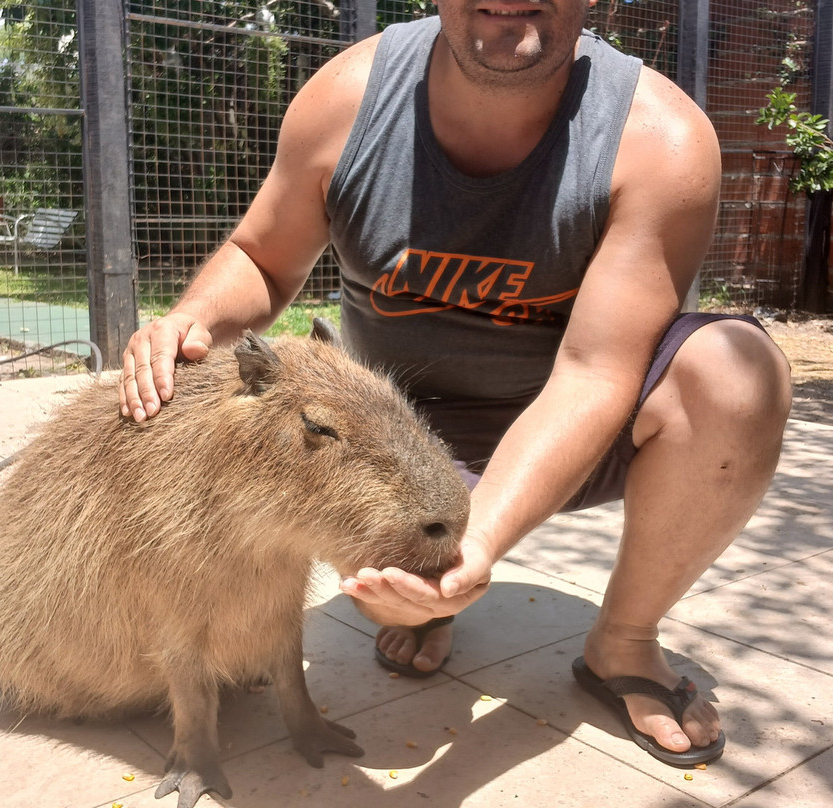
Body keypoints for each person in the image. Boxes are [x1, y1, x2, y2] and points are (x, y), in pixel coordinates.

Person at [119, 0, 792, 766]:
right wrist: (190, 320)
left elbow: (595, 372)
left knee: (737, 374)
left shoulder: (660, 138)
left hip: (576, 428)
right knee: (375, 574)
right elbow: (262, 258)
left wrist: (477, 541)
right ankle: (429, 598)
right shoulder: (347, 98)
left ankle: (626, 640)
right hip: (401, 438)